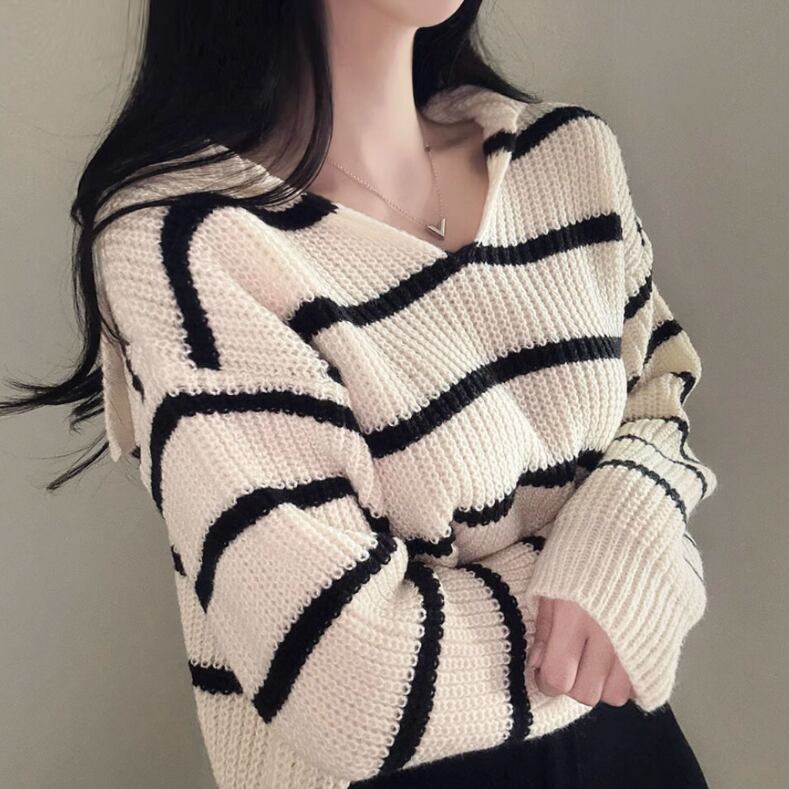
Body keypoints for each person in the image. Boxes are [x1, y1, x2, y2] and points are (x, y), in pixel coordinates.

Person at [1, 2, 718, 787]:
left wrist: (620, 533)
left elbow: (658, 394)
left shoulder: (568, 155)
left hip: (636, 750)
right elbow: (349, 683)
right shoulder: (189, 242)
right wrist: (622, 591)